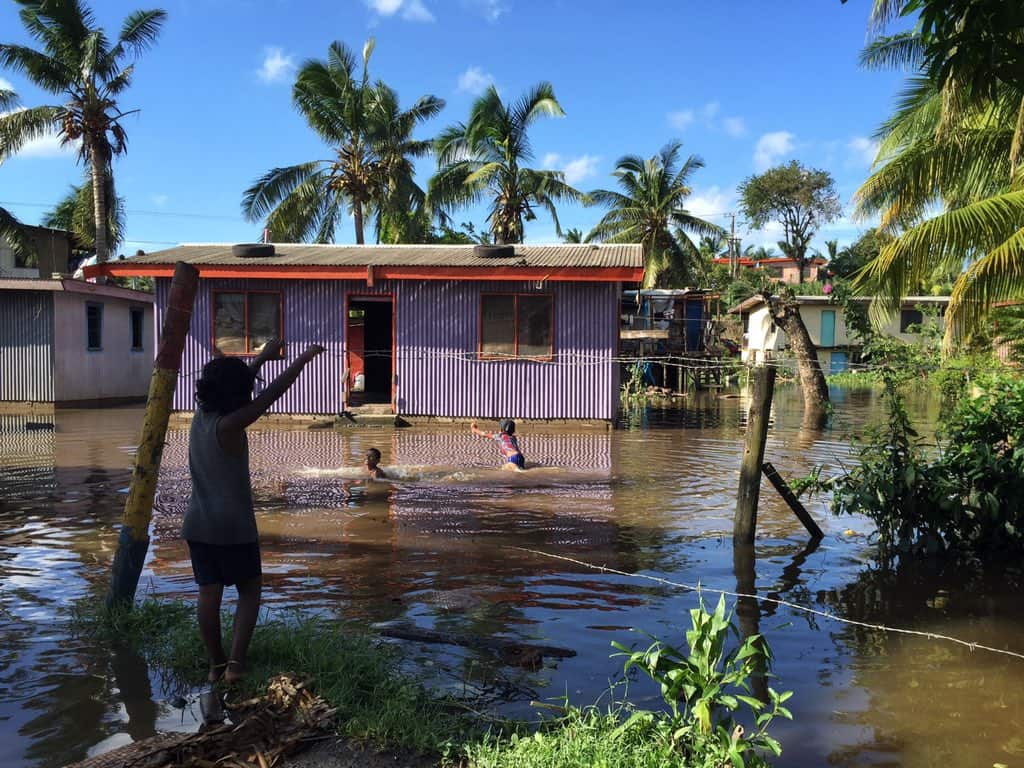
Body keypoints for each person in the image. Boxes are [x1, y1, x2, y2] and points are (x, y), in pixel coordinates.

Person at [184, 338, 324, 686]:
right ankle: (235, 665)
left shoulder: (202, 417)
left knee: (209, 593)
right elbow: (270, 394)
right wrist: (303, 359)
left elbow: (240, 384)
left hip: (197, 524)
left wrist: (262, 356)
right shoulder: (230, 425)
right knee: (250, 590)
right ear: (238, 395)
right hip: (232, 527)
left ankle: (214, 664)